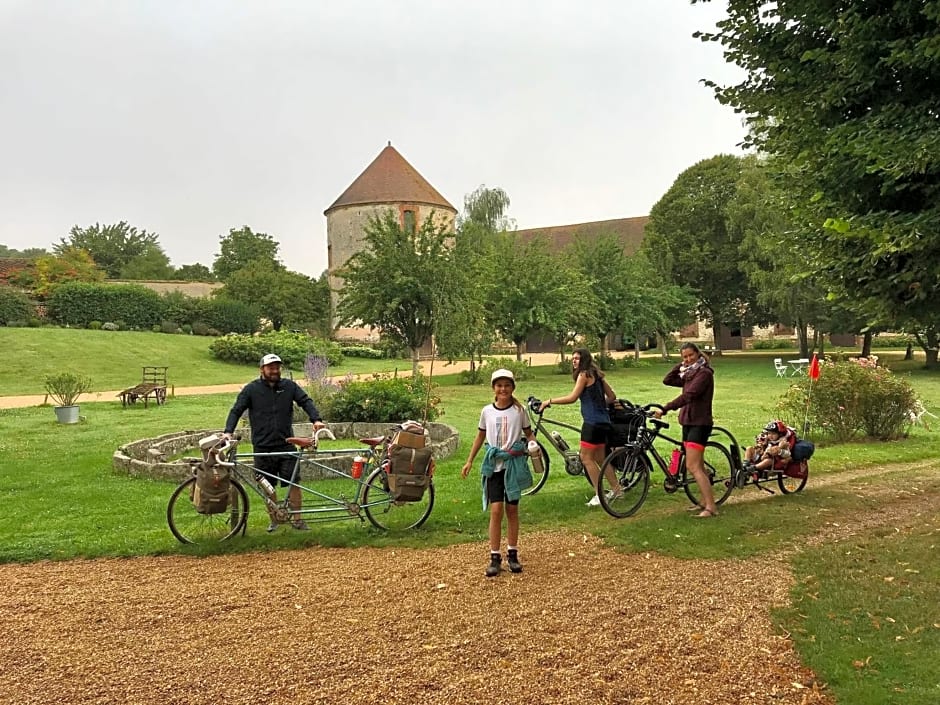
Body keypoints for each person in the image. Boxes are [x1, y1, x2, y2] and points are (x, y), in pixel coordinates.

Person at [223, 353, 325, 532]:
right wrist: (228, 432)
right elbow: (236, 410)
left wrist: (316, 419)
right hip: (262, 446)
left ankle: (298, 520)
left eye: (277, 367)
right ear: (262, 369)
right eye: (271, 367)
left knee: (293, 482)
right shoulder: (251, 390)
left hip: (285, 444)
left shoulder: (289, 386)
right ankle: (275, 519)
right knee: (267, 485)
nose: (275, 370)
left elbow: (305, 401)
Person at [461, 369, 535, 577]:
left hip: (512, 466)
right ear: (494, 388)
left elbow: (529, 434)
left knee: (512, 510)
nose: (503, 389)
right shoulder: (487, 412)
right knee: (496, 510)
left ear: (512, 388)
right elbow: (480, 437)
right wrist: (469, 461)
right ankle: (494, 556)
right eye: (499, 385)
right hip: (494, 466)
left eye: (507, 385)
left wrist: (533, 447)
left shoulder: (519, 412)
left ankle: (512, 553)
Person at [537, 348, 616, 507]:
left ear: (584, 360)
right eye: (573, 358)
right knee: (601, 458)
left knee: (586, 458)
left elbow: (572, 398)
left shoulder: (583, 375)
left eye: (577, 358)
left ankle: (599, 495)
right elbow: (612, 397)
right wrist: (600, 405)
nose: (574, 361)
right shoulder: (597, 375)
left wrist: (549, 401)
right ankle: (617, 489)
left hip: (592, 423)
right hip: (604, 422)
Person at [652, 342, 718, 518]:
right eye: (684, 357)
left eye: (691, 355)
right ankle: (705, 501)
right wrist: (682, 365)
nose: (688, 359)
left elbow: (688, 396)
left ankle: (711, 507)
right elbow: (667, 380)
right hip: (687, 422)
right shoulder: (688, 373)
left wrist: (665, 409)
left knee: (692, 466)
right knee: (699, 466)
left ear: (698, 354)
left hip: (700, 423)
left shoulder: (704, 374)